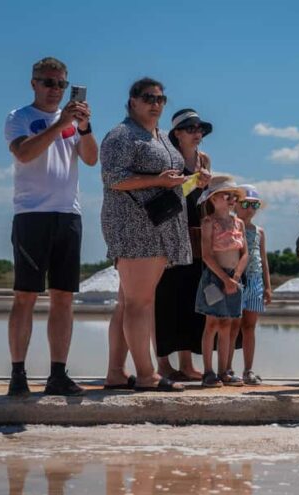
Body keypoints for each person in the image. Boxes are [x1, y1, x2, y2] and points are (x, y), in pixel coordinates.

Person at [4, 57, 98, 397]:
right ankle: (18, 373)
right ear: (34, 84)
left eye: (60, 84)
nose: (55, 89)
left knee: (63, 298)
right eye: (48, 82)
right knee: (25, 296)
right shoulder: (20, 117)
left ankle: (58, 373)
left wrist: (84, 127)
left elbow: (90, 159)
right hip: (31, 215)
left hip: (67, 215)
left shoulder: (72, 122)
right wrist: (58, 125)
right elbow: (24, 154)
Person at [100, 77, 189, 392]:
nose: (156, 103)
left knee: (127, 303)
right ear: (133, 100)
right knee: (140, 303)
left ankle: (115, 373)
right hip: (134, 224)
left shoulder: (162, 137)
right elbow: (113, 178)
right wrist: (159, 182)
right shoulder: (122, 135)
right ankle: (147, 374)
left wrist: (188, 180)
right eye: (149, 97)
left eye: (161, 99)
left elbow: (168, 178)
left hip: (159, 224)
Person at [153, 108, 214, 382]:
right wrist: (193, 182)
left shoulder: (204, 159)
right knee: (166, 300)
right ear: (177, 133)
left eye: (200, 129)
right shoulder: (169, 159)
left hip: (196, 232)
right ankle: (163, 363)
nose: (197, 133)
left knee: (191, 298)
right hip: (170, 231)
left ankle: (187, 362)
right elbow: (167, 197)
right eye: (191, 128)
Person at [195, 176, 248, 388]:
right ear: (214, 199)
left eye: (234, 196)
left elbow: (245, 254)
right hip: (214, 277)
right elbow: (207, 255)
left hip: (234, 277)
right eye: (227, 195)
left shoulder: (239, 223)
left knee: (228, 323)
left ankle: (225, 369)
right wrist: (225, 278)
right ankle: (208, 371)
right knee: (212, 323)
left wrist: (235, 278)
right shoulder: (209, 222)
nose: (231, 199)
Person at [226, 185, 272, 385]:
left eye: (254, 205)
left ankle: (248, 370)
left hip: (255, 281)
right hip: (236, 281)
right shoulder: (229, 227)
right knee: (232, 326)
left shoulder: (259, 231)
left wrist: (268, 287)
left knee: (250, 326)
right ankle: (227, 368)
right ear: (235, 204)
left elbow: (263, 259)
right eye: (246, 204)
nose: (250, 209)